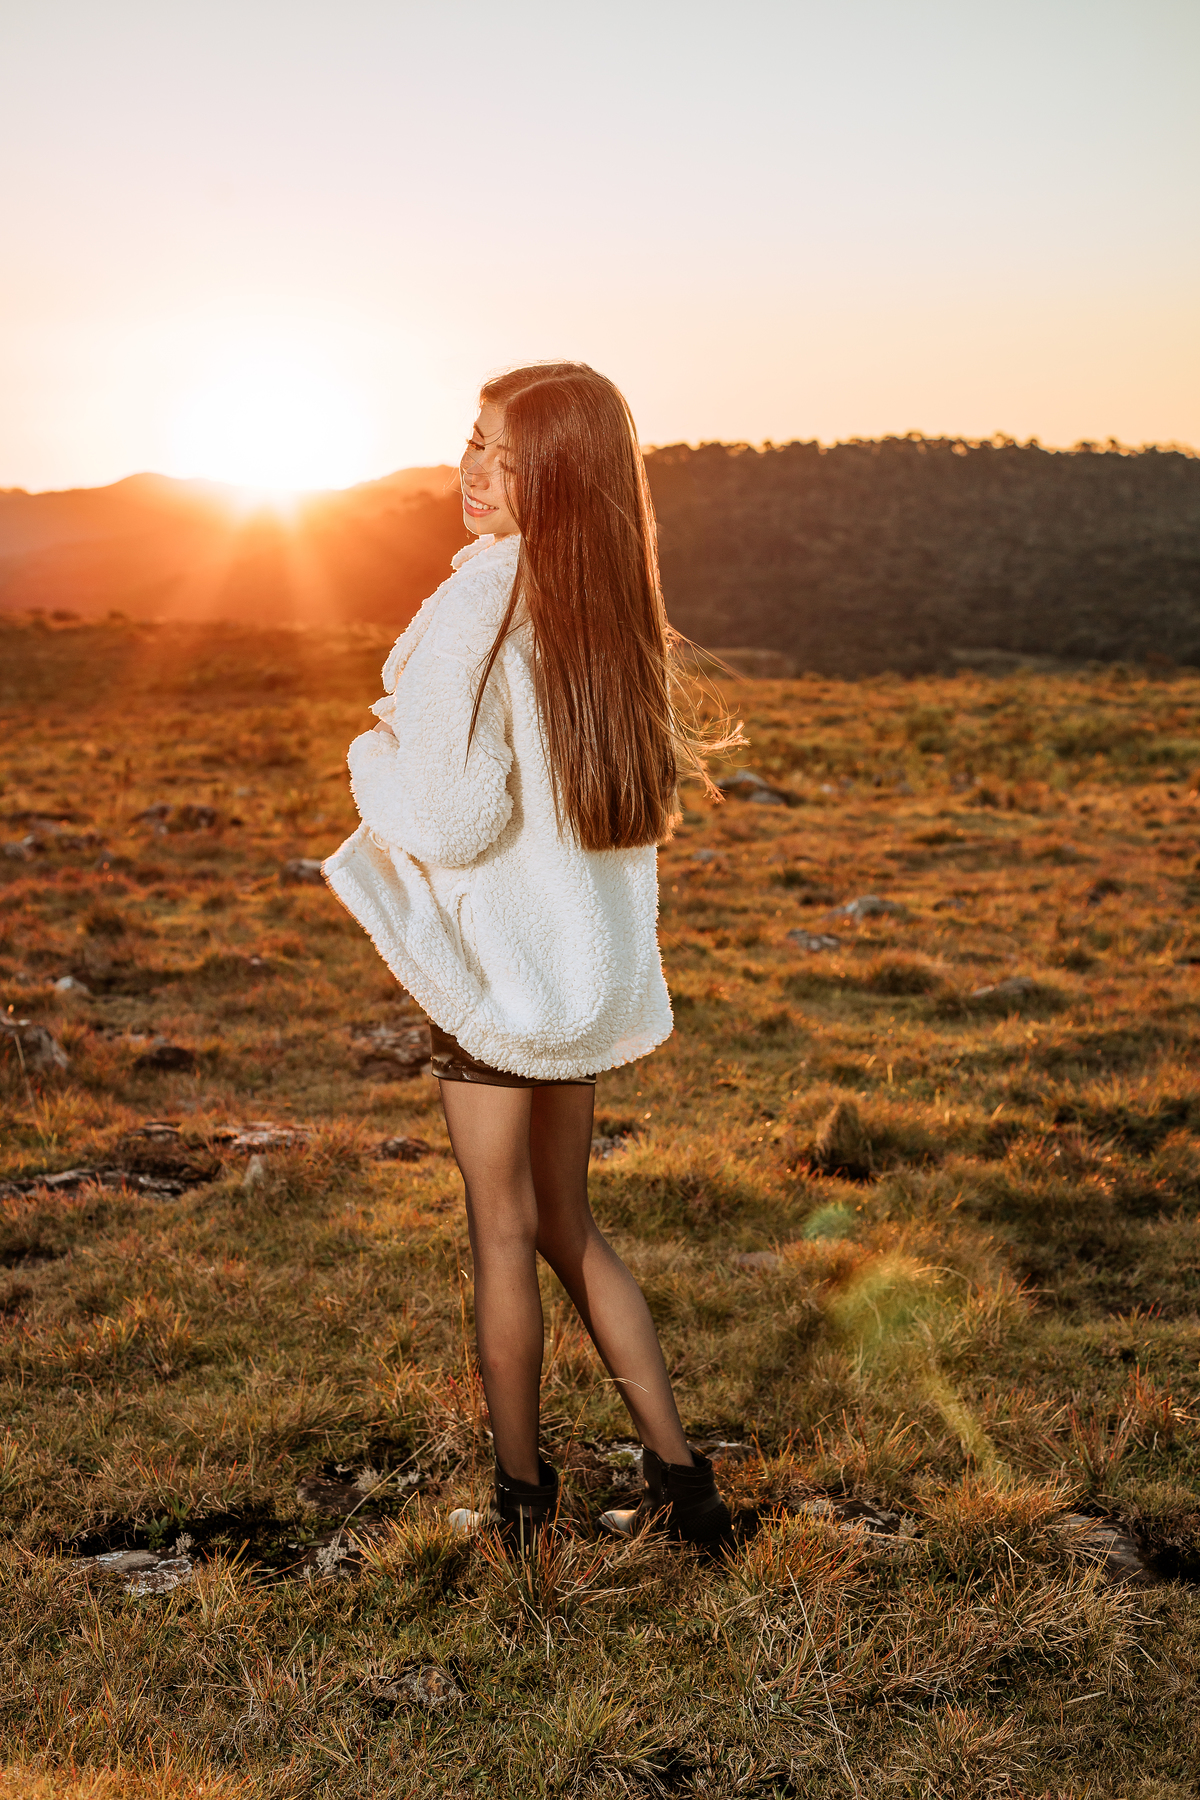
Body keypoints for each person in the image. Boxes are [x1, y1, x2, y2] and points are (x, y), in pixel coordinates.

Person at [324, 362, 734, 1554]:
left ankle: (519, 1507)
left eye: (502, 454)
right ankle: (684, 1487)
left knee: (501, 1234)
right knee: (571, 1223)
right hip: (582, 980)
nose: (471, 472)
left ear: (555, 476)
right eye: (470, 441)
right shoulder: (608, 605)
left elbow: (449, 816)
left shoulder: (481, 601)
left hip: (500, 985)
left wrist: (370, 754)